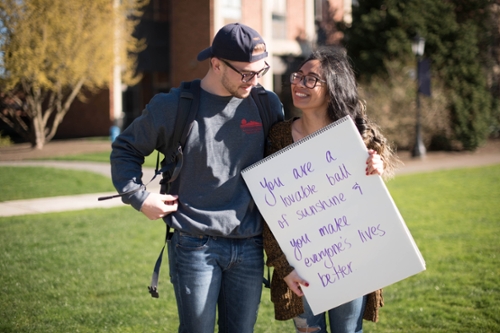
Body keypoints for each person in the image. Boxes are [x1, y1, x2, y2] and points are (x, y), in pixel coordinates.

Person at [110, 23, 283, 333]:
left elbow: (295, 153)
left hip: (249, 244)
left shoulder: (265, 104)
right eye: (246, 73)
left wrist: (367, 152)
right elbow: (126, 149)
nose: (255, 81)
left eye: (261, 71)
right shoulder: (173, 106)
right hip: (195, 245)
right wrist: (139, 197)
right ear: (216, 64)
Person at [263, 47, 400, 333]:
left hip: (351, 260)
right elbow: (269, 209)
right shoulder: (278, 136)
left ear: (333, 88)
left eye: (311, 79)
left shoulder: (356, 135)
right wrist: (283, 267)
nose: (299, 83)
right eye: (298, 76)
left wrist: (377, 164)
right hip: (300, 267)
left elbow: (377, 176)